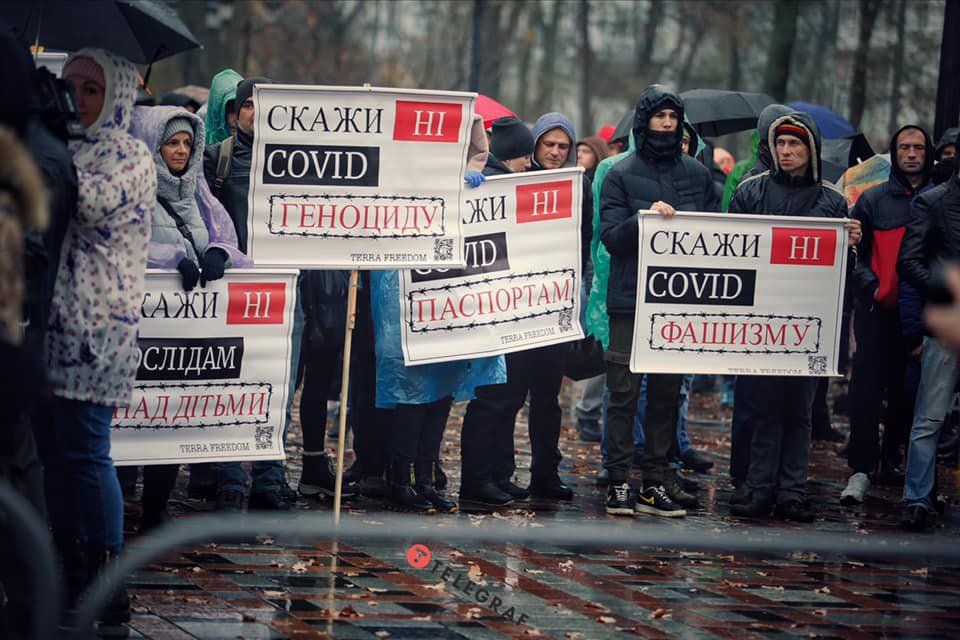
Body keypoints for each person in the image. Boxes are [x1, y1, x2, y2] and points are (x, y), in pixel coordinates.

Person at [43, 48, 156, 634]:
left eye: (92, 90)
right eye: (70, 88)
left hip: (99, 329)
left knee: (88, 453)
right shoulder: (64, 146)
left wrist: (44, 154)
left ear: (116, 96)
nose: (79, 100)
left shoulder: (129, 154)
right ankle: (67, 564)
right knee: (56, 456)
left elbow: (85, 204)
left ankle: (110, 581)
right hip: (50, 325)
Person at [126, 106, 252, 528]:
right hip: (143, 328)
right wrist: (171, 258)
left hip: (187, 325)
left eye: (186, 143)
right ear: (153, 146)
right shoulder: (133, 189)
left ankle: (156, 507)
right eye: (171, 143)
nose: (180, 151)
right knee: (135, 415)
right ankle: (120, 499)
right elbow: (126, 242)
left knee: (171, 416)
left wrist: (220, 254)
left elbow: (226, 236)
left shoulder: (198, 190)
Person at [459, 111, 592, 510]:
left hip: (554, 307)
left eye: (563, 146)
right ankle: (489, 476)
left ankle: (545, 474)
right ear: (535, 146)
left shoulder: (578, 188)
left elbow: (581, 245)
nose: (555, 152)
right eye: (548, 144)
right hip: (514, 308)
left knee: (548, 398)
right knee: (504, 395)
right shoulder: (512, 182)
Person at [599, 85, 719, 518]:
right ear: (644, 121)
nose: (667, 124)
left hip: (678, 301)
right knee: (624, 392)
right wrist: (644, 217)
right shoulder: (619, 174)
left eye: (673, 116)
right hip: (630, 300)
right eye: (659, 116)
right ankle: (616, 481)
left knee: (668, 394)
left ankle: (654, 481)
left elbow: (718, 235)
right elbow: (610, 237)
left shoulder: (698, 174)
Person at [728, 112, 851, 522]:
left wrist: (853, 246)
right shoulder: (749, 192)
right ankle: (759, 489)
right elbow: (727, 251)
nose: (786, 151)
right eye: (780, 144)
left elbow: (845, 274)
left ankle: (792, 493)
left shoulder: (834, 201)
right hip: (761, 321)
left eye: (795, 144)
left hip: (809, 323)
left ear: (810, 149)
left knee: (800, 411)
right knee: (764, 408)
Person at [203, 76, 301, 511]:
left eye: (269, 106)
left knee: (280, 389)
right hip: (236, 292)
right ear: (234, 114)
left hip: (286, 292)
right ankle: (227, 477)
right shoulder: (215, 161)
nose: (258, 114)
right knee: (231, 383)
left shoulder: (301, 164)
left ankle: (269, 477)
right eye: (249, 106)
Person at [841, 124, 934, 506]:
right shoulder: (873, 200)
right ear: (893, 152)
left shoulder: (939, 199)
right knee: (864, 391)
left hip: (922, 316)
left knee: (908, 393)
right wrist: (872, 288)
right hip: (877, 312)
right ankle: (861, 468)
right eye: (904, 147)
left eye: (917, 147)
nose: (911, 153)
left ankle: (890, 460)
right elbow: (854, 257)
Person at [896, 145, 960, 531]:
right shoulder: (934, 201)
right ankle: (917, 498)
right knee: (930, 417)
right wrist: (947, 289)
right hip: (946, 322)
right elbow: (908, 261)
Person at [204, 69, 243, 147]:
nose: (236, 119)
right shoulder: (200, 148)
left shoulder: (256, 149)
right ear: (217, 112)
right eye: (230, 111)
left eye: (240, 110)